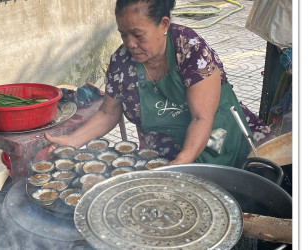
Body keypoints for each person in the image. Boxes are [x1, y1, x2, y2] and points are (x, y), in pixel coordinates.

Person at [45, 0, 274, 168]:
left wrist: (182, 162)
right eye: (123, 34)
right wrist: (72, 141)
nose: (130, 44)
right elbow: (107, 113)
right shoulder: (120, 62)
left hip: (219, 133)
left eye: (137, 34)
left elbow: (200, 118)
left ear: (164, 24)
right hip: (166, 145)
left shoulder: (190, 48)